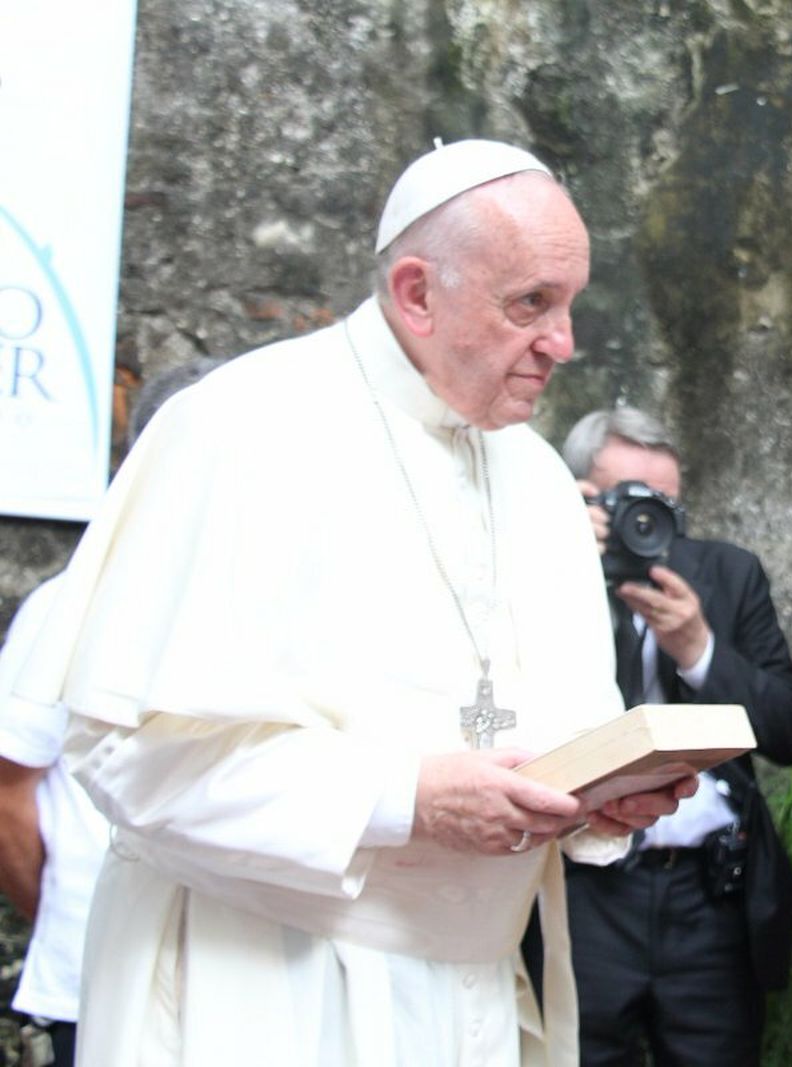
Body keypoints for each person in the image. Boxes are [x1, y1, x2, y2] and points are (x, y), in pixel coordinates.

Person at [10, 139, 692, 1067]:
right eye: (530, 303)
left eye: (568, 303)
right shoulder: (240, 426)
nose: (564, 342)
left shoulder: (535, 475)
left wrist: (593, 798)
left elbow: (557, 721)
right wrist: (401, 798)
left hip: (471, 996)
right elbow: (130, 755)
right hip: (259, 987)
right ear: (416, 293)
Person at [546, 406, 792, 1065]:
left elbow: (789, 731)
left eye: (662, 504)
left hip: (708, 893)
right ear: (580, 494)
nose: (646, 522)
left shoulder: (725, 573)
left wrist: (699, 648)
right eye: (626, 501)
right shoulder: (540, 569)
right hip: (584, 890)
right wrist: (557, 553)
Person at [0, 358, 224, 1067]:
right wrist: (76, 913)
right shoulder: (68, 604)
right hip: (102, 975)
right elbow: (8, 789)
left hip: (232, 982)